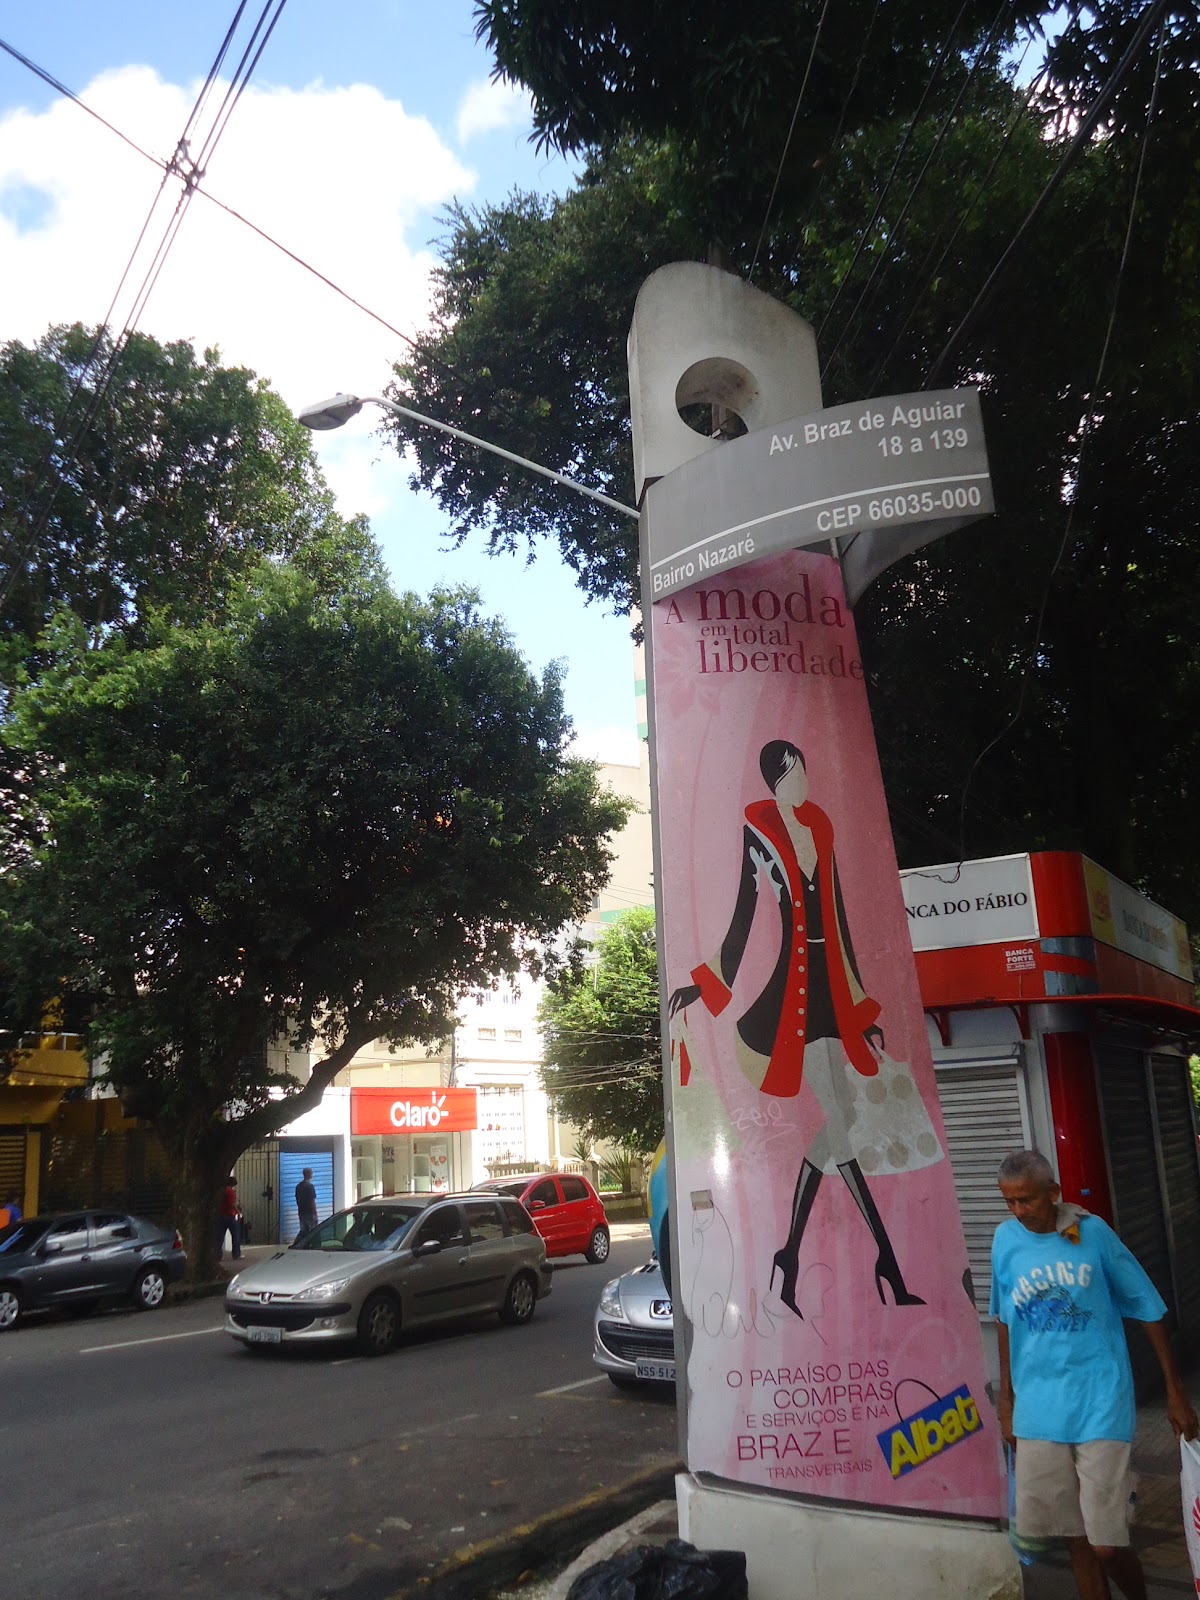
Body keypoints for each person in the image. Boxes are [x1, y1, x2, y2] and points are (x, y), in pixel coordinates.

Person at [668, 738, 924, 1317]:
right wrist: (706, 984)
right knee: (840, 1118)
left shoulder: (821, 827)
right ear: (773, 784)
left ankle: (788, 1255)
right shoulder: (758, 833)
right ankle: (885, 1258)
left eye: (803, 771)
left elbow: (839, 915)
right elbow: (744, 911)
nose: (801, 782)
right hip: (795, 993)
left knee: (843, 1119)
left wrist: (860, 1005)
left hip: (832, 984)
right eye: (790, 776)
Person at [991, 1149, 1198, 1600]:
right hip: (1039, 1409)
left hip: (1100, 1401)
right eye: (1010, 1201)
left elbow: (1146, 1304)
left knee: (1106, 1543)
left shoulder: (1093, 1233)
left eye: (1027, 1199)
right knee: (1075, 1540)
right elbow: (1004, 1319)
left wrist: (1175, 1389)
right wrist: (1007, 1402)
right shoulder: (1004, 1241)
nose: (1018, 1210)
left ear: (1053, 1192)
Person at [216, 1175, 241, 1262]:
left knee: (220, 1237)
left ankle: (218, 1255)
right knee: (235, 1235)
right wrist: (238, 1212)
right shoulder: (230, 1192)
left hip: (221, 1215)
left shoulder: (221, 1191)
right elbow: (232, 1204)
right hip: (230, 1216)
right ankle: (236, 1254)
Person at [295, 1167, 318, 1238]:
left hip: (301, 1213)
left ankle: (301, 1242)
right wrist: (315, 1214)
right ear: (309, 1174)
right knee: (313, 1232)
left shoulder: (298, 1186)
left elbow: (297, 1200)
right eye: (311, 1173)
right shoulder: (310, 1187)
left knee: (303, 1231)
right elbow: (312, 1201)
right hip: (310, 1213)